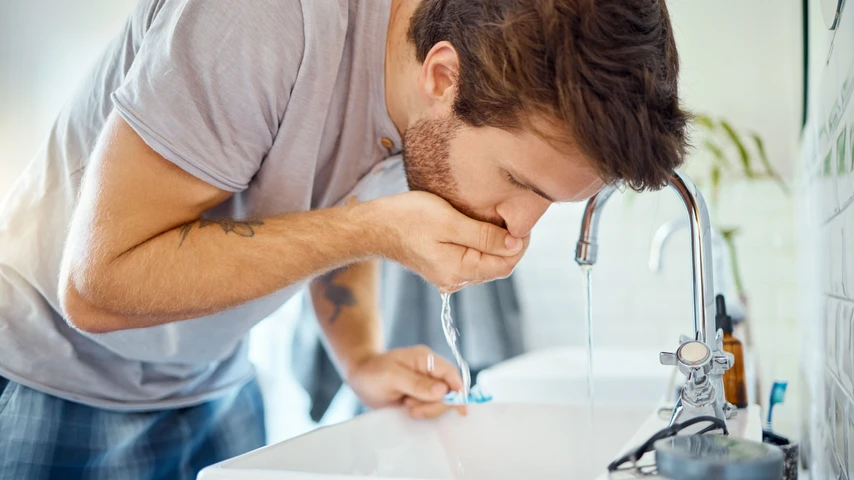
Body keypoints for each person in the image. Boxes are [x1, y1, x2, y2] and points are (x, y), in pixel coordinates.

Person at [0, 0, 689, 478]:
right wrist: (374, 231)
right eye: (520, 183)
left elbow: (334, 192)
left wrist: (360, 357)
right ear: (442, 76)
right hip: (50, 379)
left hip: (216, 387)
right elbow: (97, 285)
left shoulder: (418, 87)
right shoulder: (262, 20)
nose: (520, 229)